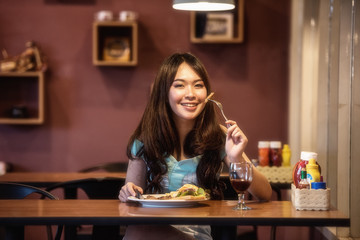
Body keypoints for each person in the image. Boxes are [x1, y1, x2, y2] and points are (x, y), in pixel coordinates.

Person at [118, 52, 272, 240]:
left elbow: (264, 194)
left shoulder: (220, 136)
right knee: (138, 230)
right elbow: (130, 205)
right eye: (179, 85)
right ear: (164, 92)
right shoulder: (145, 139)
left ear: (207, 94)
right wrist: (128, 192)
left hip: (197, 237)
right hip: (152, 233)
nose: (190, 94)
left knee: (138, 231)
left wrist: (236, 158)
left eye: (198, 85)